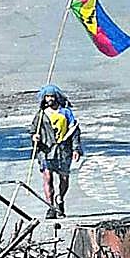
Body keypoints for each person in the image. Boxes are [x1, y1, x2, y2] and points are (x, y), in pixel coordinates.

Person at [29, 83, 82, 219]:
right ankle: (50, 207)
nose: (49, 99)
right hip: (46, 151)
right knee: (48, 178)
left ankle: (60, 199)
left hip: (63, 150)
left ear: (56, 97)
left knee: (64, 178)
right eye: (47, 96)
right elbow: (33, 129)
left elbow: (74, 131)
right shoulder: (41, 114)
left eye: (52, 96)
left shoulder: (66, 112)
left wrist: (76, 149)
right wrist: (35, 137)